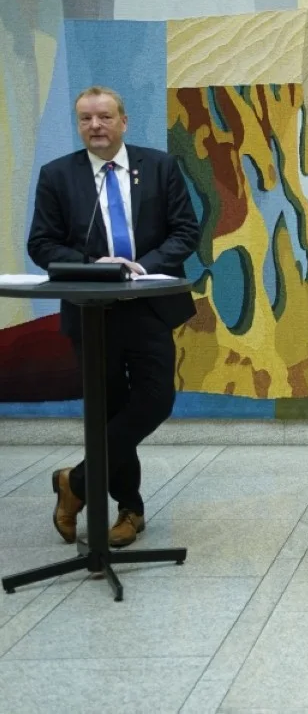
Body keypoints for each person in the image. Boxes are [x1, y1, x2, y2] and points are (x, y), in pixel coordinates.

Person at [27, 85, 199, 547]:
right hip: (91, 310)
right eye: (85, 118)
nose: (95, 126)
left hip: (148, 304)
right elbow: (41, 243)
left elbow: (186, 232)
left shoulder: (159, 167)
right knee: (109, 411)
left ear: (123, 121)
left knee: (154, 400)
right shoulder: (58, 175)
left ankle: (76, 482)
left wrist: (144, 265)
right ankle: (131, 509)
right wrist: (91, 267)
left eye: (104, 117)